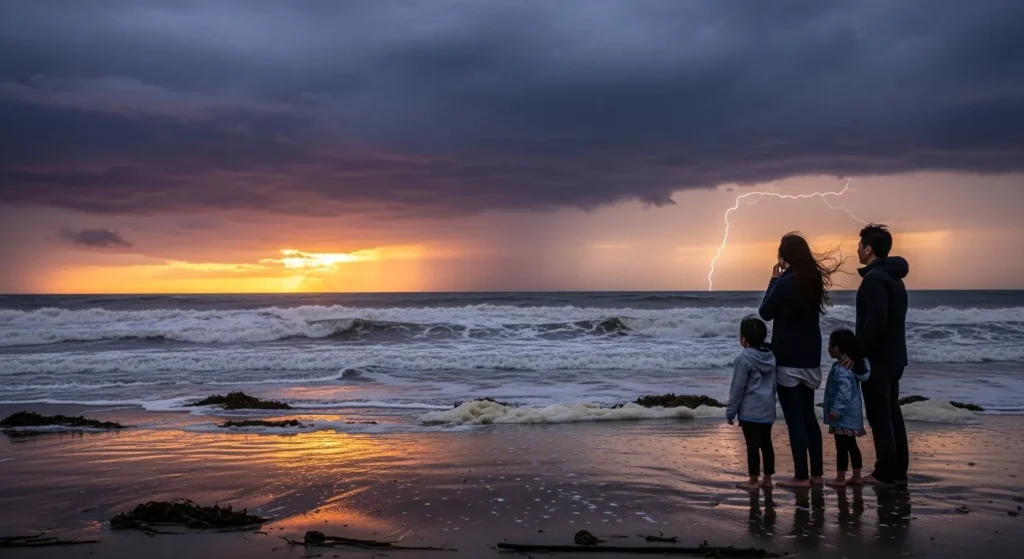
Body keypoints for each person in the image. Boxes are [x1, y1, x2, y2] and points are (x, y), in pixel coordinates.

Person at [759, 233, 842, 488]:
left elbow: (765, 312)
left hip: (788, 358)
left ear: (785, 256)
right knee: (808, 417)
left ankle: (801, 476)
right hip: (811, 358)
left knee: (795, 420)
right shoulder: (813, 280)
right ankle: (816, 474)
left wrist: (773, 279)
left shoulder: (785, 282)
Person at [851, 223, 910, 486]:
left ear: (869, 249)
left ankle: (884, 472)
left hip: (879, 358)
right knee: (891, 412)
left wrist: (855, 352)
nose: (857, 251)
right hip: (895, 355)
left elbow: (876, 320)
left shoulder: (874, 279)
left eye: (860, 246)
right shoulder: (894, 278)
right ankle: (897, 470)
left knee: (879, 414)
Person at [727, 315, 778, 491]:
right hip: (767, 409)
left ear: (744, 339)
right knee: (766, 444)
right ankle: (768, 479)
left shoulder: (743, 360)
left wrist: (730, 412)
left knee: (752, 446)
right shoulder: (771, 358)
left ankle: (753, 480)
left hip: (750, 411)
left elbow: (737, 388)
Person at [823, 328, 871, 488]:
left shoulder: (841, 369)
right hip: (853, 414)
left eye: (830, 345)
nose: (828, 348)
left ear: (837, 348)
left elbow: (844, 393)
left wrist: (836, 410)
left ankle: (840, 478)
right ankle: (856, 475)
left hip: (843, 416)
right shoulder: (853, 366)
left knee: (842, 448)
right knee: (851, 446)